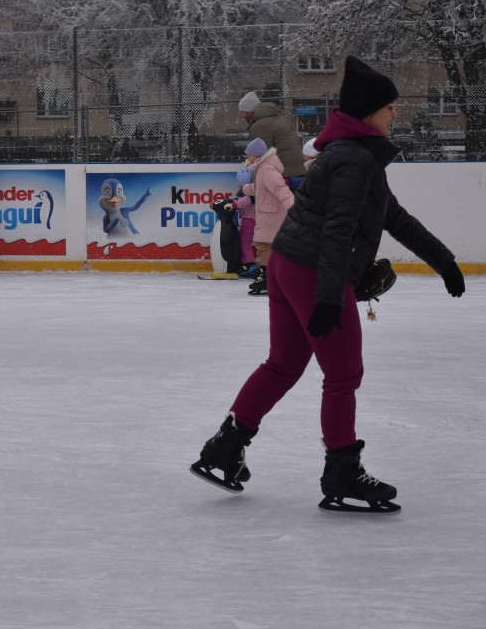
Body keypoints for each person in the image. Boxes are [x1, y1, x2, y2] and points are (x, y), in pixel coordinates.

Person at [192, 56, 466, 513]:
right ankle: (342, 470)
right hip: (313, 272)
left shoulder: (350, 155)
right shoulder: (355, 159)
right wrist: (325, 298)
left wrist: (444, 262)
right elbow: (338, 230)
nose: (396, 113)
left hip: (285, 266)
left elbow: (393, 217)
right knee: (343, 374)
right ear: (368, 112)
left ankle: (225, 446)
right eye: (390, 107)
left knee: (283, 364)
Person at [239, 137, 294, 295]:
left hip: (271, 214)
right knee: (267, 246)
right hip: (268, 213)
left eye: (249, 155)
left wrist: (293, 206)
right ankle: (269, 276)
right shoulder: (263, 168)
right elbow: (261, 187)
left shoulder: (266, 169)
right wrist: (246, 189)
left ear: (256, 155)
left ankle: (268, 278)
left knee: (264, 245)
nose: (248, 158)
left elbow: (279, 188)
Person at [238, 91, 306, 181]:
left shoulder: (260, 125)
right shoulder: (278, 118)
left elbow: (259, 157)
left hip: (285, 174)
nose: (241, 115)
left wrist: (252, 186)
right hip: (298, 171)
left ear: (249, 112)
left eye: (242, 112)